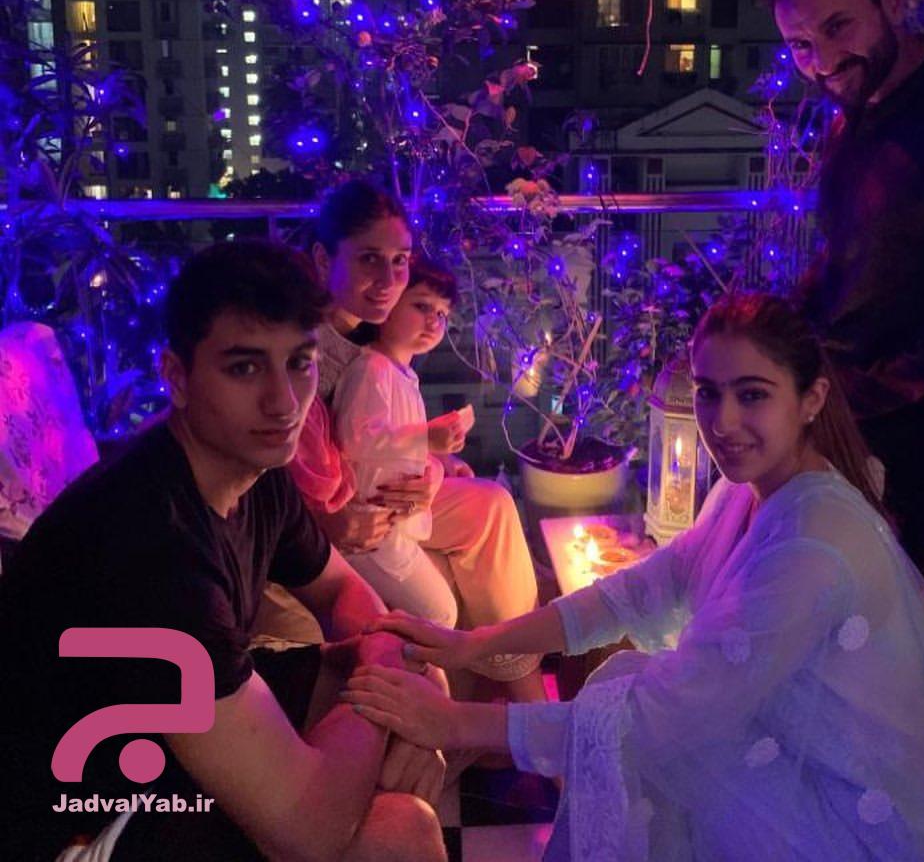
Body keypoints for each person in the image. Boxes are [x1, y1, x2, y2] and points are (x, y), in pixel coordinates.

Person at [342, 293, 924, 862]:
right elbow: (644, 589)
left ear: (811, 399)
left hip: (863, 816)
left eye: (752, 395)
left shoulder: (815, 543)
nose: (722, 423)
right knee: (625, 700)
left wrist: (454, 722)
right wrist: (476, 644)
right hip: (797, 759)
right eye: (707, 393)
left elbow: (666, 716)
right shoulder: (748, 489)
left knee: (636, 718)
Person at [0, 240, 446, 862]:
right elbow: (309, 834)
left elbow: (342, 589)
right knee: (399, 829)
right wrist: (388, 685)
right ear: (177, 378)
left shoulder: (252, 471)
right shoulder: (149, 547)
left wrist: (393, 669)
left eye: (299, 363)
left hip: (162, 741)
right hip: (77, 820)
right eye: (244, 368)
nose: (283, 402)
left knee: (415, 681)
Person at [262, 177, 545, 701]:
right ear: (324, 260)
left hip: (380, 489)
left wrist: (433, 468)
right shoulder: (300, 344)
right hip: (335, 510)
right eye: (368, 259)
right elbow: (275, 460)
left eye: (399, 261)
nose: (388, 279)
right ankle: (510, 703)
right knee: (452, 575)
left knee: (493, 506)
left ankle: (516, 679)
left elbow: (383, 422)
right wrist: (324, 521)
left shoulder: (364, 334)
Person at [763, 0, 924, 578]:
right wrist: (777, 335)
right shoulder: (858, 109)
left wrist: (857, 397)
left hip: (903, 443)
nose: (823, 61)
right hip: (836, 410)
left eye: (837, 27)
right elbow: (848, 253)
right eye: (801, 46)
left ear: (893, 1)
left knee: (861, 611)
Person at [301, 254, 471, 629]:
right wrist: (426, 438)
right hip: (373, 525)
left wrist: (434, 463)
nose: (434, 321)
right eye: (422, 306)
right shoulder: (371, 368)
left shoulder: (402, 374)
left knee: (442, 606)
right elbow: (357, 439)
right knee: (441, 612)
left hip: (395, 521)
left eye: (442, 314)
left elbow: (398, 445)